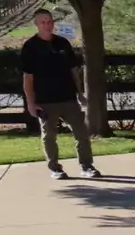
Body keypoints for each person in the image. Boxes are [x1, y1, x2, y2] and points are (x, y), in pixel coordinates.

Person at [20, 9, 100, 180]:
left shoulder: (63, 43)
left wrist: (80, 94)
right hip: (45, 101)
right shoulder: (30, 47)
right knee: (49, 136)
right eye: (43, 22)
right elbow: (28, 78)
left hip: (68, 98)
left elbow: (73, 70)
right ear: (36, 24)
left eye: (49, 21)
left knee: (81, 133)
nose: (47, 25)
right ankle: (55, 168)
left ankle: (87, 166)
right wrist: (31, 103)